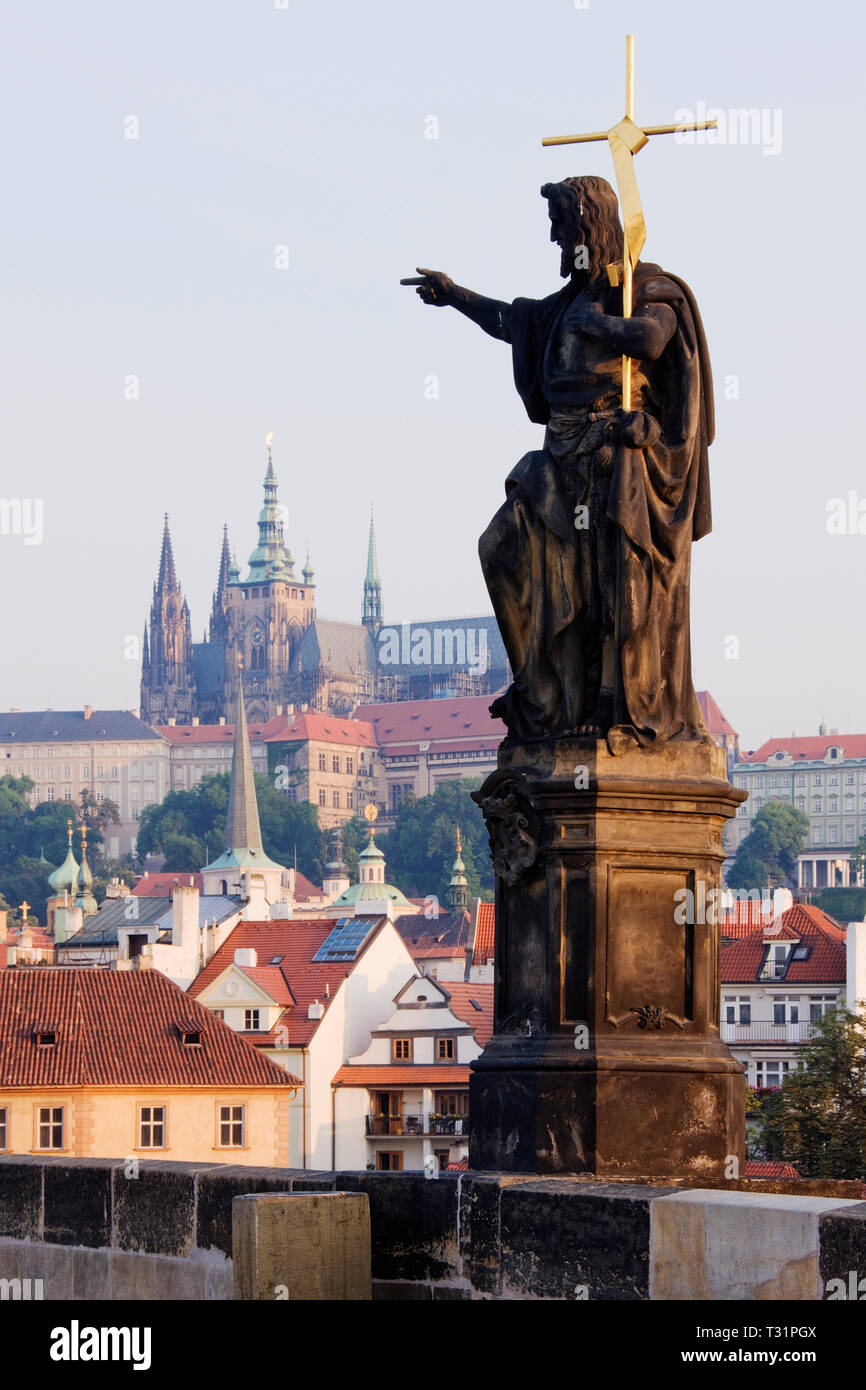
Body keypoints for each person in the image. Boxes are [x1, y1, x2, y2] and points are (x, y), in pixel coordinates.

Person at [412, 175, 714, 751]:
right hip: (559, 457)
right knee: (499, 545)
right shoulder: (564, 304)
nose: (554, 241)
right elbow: (511, 322)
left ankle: (613, 706)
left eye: (560, 229)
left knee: (613, 586)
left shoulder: (645, 287)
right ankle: (540, 691)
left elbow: (653, 340)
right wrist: (455, 296)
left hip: (615, 458)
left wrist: (599, 325)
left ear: (589, 228)